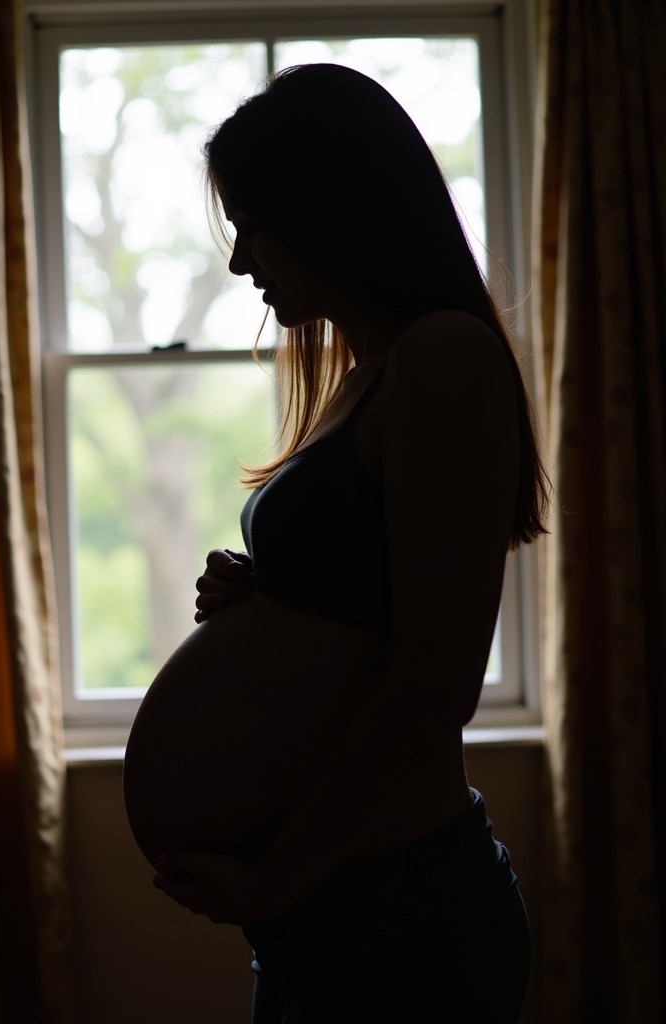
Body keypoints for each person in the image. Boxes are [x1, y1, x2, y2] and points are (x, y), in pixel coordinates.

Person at [124, 62, 549, 1023]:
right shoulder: (375, 372)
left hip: (400, 913)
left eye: (249, 225)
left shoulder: (443, 357)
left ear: (323, 209)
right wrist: (270, 605)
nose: (239, 263)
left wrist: (275, 879)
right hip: (344, 909)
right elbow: (366, 618)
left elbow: (436, 683)